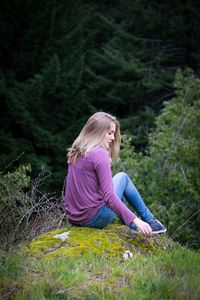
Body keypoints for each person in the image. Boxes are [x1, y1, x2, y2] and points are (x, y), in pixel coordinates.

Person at [64, 112, 166, 236]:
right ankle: (149, 221)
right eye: (110, 133)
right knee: (122, 178)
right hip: (95, 218)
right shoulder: (99, 154)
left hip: (74, 219)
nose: (113, 138)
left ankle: (135, 222)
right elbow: (109, 197)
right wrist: (136, 219)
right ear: (97, 131)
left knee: (119, 180)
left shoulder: (77, 151)